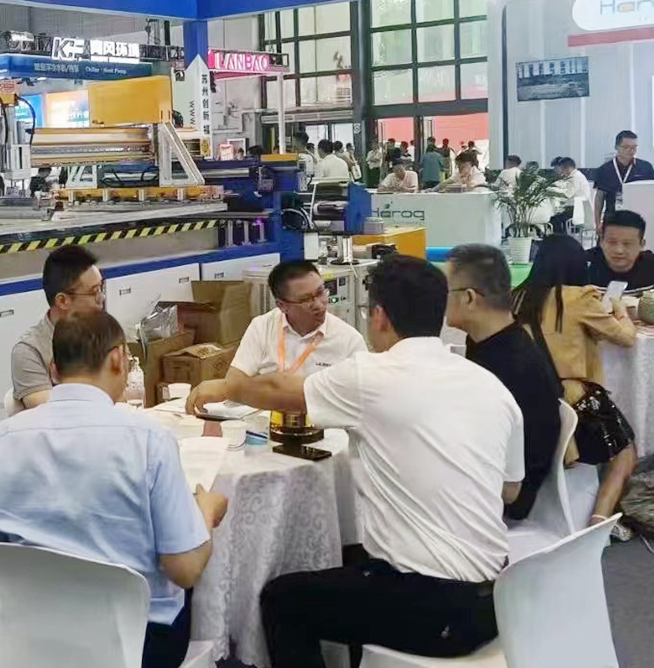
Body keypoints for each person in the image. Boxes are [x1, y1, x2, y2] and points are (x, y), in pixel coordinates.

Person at [205, 256, 522, 667]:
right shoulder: (490, 385)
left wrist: (223, 387)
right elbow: (510, 490)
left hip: (435, 608)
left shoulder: (370, 375)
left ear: (379, 317)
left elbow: (278, 390)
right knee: (353, 563)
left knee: (283, 600)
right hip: (500, 597)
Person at [0, 311, 228, 668]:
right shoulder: (149, 440)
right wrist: (206, 512)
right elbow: (184, 569)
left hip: (32, 635)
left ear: (53, 370)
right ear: (117, 359)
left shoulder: (1, 440)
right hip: (138, 643)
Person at [515, 235, 638, 540]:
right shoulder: (579, 298)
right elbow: (625, 338)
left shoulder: (515, 298)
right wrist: (618, 309)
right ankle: (600, 520)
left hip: (528, 401)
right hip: (575, 400)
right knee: (625, 453)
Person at [445, 244, 562, 521]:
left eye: (444, 291)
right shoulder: (491, 342)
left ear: (469, 298)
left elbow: (510, 481)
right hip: (490, 476)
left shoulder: (512, 366)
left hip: (503, 497)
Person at [185, 260, 366, 414]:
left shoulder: (349, 341)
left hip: (320, 426)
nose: (319, 304)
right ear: (282, 306)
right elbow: (236, 382)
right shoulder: (262, 327)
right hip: (265, 424)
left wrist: (262, 388)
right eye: (305, 300)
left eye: (320, 292)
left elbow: (359, 403)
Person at [11, 244, 105, 409]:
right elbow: (49, 412)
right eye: (94, 292)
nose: (102, 298)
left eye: (101, 288)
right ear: (62, 301)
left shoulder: (105, 333)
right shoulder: (30, 351)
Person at [586, 209, 654, 301]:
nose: (619, 250)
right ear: (601, 241)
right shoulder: (584, 263)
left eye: (627, 244)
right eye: (612, 242)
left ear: (642, 245)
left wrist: (631, 306)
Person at [593, 130, 654, 227]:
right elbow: (599, 198)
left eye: (634, 147)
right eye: (626, 147)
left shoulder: (645, 167)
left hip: (638, 218)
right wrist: (597, 223)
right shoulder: (604, 169)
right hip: (612, 219)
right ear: (616, 147)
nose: (631, 150)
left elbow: (653, 194)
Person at [550, 157, 593, 232]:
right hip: (578, 207)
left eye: (562, 169)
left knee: (555, 219)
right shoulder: (576, 175)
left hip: (577, 209)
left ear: (567, 168)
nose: (561, 172)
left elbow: (567, 195)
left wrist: (553, 194)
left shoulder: (575, 178)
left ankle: (562, 237)